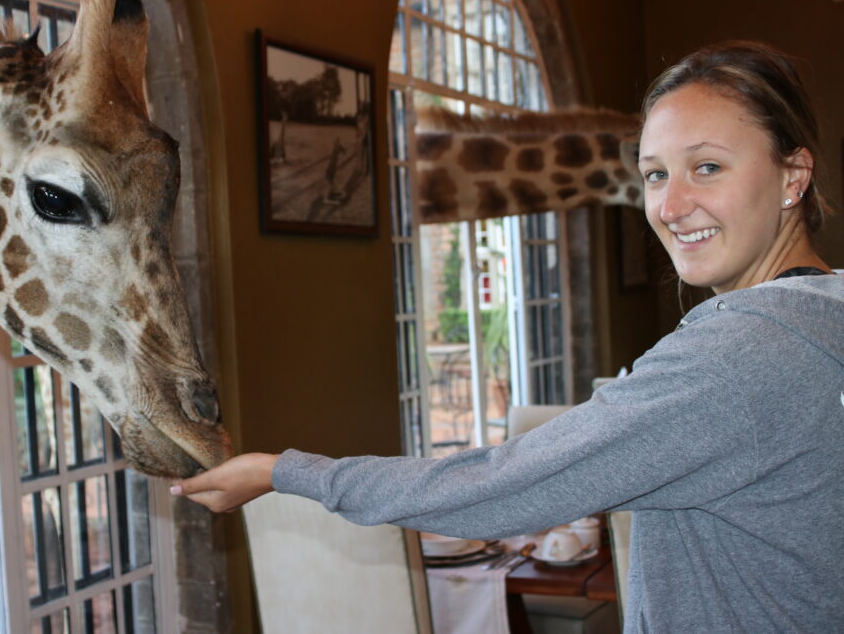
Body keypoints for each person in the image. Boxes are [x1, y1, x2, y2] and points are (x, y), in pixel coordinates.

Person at [171, 42, 844, 632]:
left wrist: (283, 471)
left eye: (707, 167)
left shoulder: (734, 357)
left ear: (793, 176)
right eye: (655, 173)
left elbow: (498, 486)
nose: (668, 207)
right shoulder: (824, 316)